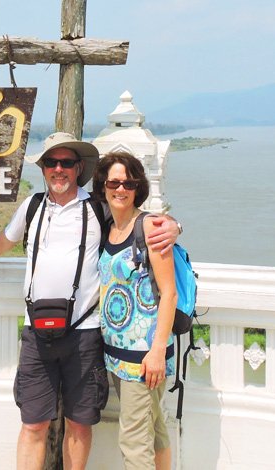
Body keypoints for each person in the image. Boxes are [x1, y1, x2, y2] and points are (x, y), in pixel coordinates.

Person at [0, 133, 180, 470]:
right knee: (33, 423)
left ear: (78, 168)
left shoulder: (97, 207)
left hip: (85, 334)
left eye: (66, 162)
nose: (59, 169)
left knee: (80, 423)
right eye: (51, 162)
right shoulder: (32, 207)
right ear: (42, 168)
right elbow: (4, 239)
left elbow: (138, 219)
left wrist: (174, 225)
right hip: (36, 333)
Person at [92, 151, 176, 470]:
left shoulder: (149, 227)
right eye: (114, 182)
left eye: (128, 183)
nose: (121, 189)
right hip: (117, 354)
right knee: (153, 433)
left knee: (134, 444)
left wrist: (156, 352)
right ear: (103, 186)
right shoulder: (108, 227)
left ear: (138, 188)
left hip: (143, 357)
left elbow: (169, 293)